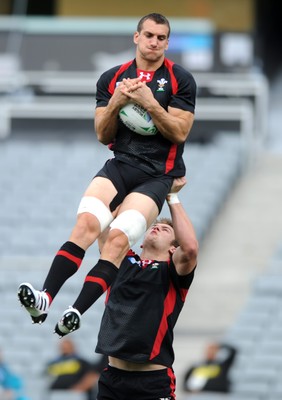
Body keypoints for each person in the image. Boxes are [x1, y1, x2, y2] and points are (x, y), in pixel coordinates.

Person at [17, 13, 197, 337]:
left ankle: (76, 310)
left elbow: (180, 131)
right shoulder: (112, 78)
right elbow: (102, 133)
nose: (154, 42)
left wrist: (149, 103)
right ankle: (45, 298)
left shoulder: (180, 80)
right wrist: (117, 101)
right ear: (136, 37)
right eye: (149, 35)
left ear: (167, 43)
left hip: (156, 176)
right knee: (86, 224)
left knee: (116, 239)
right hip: (120, 164)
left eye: (161, 37)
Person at [91, 176, 198, 399]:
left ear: (172, 249)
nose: (157, 228)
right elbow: (102, 226)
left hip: (152, 383)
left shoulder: (172, 272)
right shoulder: (121, 261)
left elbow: (190, 249)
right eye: (154, 226)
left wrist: (172, 196)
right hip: (112, 380)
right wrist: (128, 180)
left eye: (165, 230)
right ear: (141, 241)